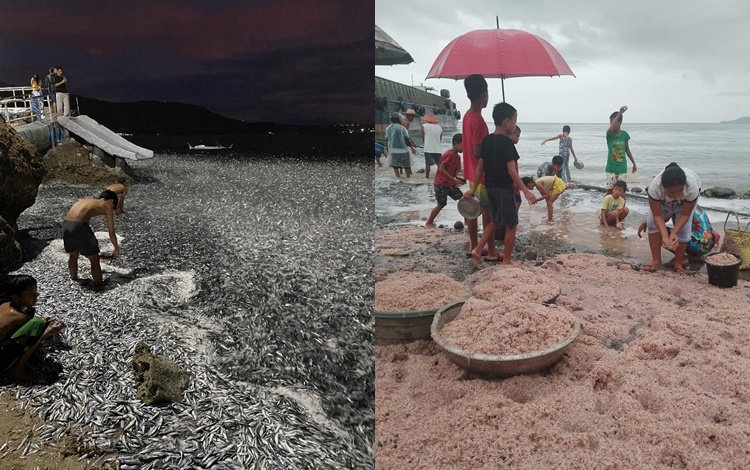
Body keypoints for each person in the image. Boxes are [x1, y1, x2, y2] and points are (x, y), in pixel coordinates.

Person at [464, 102, 536, 265]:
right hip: (504, 189)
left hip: (490, 188)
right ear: (507, 122)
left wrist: (473, 188)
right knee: (511, 224)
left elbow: (480, 166)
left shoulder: (487, 140)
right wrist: (526, 190)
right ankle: (507, 260)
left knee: (495, 221)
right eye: (515, 121)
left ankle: (477, 248)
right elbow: (512, 171)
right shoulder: (507, 143)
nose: (515, 125)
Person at [461, 74, 499, 261]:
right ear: (483, 94)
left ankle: (474, 245)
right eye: (487, 93)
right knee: (487, 214)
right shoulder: (478, 120)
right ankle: (490, 251)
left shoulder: (467, 116)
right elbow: (478, 151)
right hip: (482, 175)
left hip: (470, 173)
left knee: (473, 211)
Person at [0, 275, 66, 382]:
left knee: (34, 318)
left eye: (36, 291)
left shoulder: (5, 304)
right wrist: (49, 331)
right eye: (31, 294)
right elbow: (30, 341)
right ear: (16, 298)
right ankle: (17, 371)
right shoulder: (20, 317)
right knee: (38, 323)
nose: (36, 296)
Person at [642, 163, 700, 273]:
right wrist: (664, 236)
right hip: (663, 202)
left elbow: (685, 215)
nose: (675, 195)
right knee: (652, 224)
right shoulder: (655, 188)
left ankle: (678, 263)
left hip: (685, 205)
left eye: (679, 191)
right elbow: (657, 215)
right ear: (663, 187)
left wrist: (674, 233)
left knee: (683, 231)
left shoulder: (691, 188)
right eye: (671, 192)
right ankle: (656, 261)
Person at [62, 190, 120, 285]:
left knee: (73, 255)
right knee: (94, 259)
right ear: (111, 201)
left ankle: (74, 279)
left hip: (65, 225)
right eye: (114, 206)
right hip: (79, 226)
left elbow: (82, 219)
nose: (112, 208)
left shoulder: (89, 201)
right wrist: (116, 248)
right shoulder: (106, 206)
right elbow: (111, 231)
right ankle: (99, 285)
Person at [637, 204, 720, 260]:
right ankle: (696, 256)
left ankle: (681, 258)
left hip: (695, 246)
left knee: (656, 230)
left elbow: (663, 219)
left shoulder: (677, 204)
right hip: (709, 244)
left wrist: (646, 223)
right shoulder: (694, 204)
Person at [426, 133, 464, 228]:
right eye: (463, 145)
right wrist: (453, 180)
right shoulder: (449, 154)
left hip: (450, 184)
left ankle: (467, 221)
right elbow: (441, 169)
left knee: (463, 200)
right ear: (455, 144)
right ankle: (429, 222)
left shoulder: (457, 157)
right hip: (441, 184)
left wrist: (460, 179)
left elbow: (454, 174)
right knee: (441, 204)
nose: (464, 148)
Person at [605, 106, 637, 195]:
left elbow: (627, 149)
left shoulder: (624, 135)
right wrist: (620, 113)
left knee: (621, 192)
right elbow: (611, 129)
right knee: (610, 192)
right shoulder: (609, 135)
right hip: (611, 168)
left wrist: (633, 163)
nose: (611, 124)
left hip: (622, 167)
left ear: (620, 122)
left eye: (613, 122)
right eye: (610, 122)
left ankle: (621, 208)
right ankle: (606, 208)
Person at [385, 112, 415, 178]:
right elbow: (406, 140)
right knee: (406, 166)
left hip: (393, 150)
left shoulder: (388, 129)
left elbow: (387, 140)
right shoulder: (402, 128)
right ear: (398, 119)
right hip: (403, 150)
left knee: (395, 166)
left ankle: (398, 178)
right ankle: (408, 178)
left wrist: (388, 151)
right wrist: (411, 146)